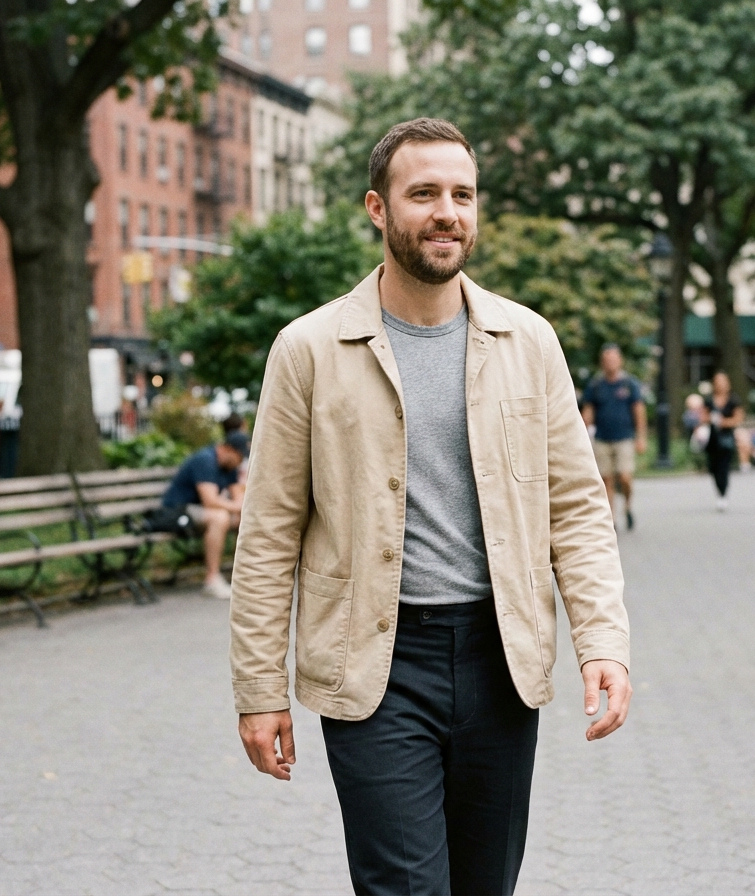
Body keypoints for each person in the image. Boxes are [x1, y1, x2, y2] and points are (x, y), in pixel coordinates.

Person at [230, 118, 631, 896]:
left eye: (462, 195)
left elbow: (578, 509)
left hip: (500, 661)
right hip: (375, 666)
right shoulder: (309, 349)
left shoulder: (529, 341)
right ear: (378, 209)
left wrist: (603, 642)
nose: (448, 211)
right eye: (424, 194)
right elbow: (269, 533)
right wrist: (258, 690)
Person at [160, 431, 248, 599]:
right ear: (227, 449)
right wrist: (236, 507)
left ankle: (246, 575)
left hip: (200, 511)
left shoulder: (229, 465)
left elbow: (238, 495)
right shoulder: (205, 460)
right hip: (178, 511)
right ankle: (211, 580)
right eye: (239, 455)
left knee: (244, 517)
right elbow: (210, 501)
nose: (240, 461)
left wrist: (240, 509)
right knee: (219, 518)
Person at [581, 344, 647, 530]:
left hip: (624, 437)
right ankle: (613, 518)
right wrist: (583, 434)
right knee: (606, 479)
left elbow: (638, 411)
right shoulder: (595, 385)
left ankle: (627, 505)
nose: (610, 362)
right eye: (606, 359)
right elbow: (588, 411)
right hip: (602, 438)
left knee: (625, 477)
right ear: (602, 362)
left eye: (613, 358)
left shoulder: (629, 384)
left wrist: (641, 437)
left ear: (620, 360)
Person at [705, 371, 744, 511]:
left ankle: (723, 493)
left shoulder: (733, 400)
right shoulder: (709, 399)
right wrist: (710, 419)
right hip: (712, 439)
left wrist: (724, 422)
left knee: (724, 467)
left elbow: (738, 418)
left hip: (727, 438)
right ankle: (719, 490)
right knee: (713, 467)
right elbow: (702, 416)